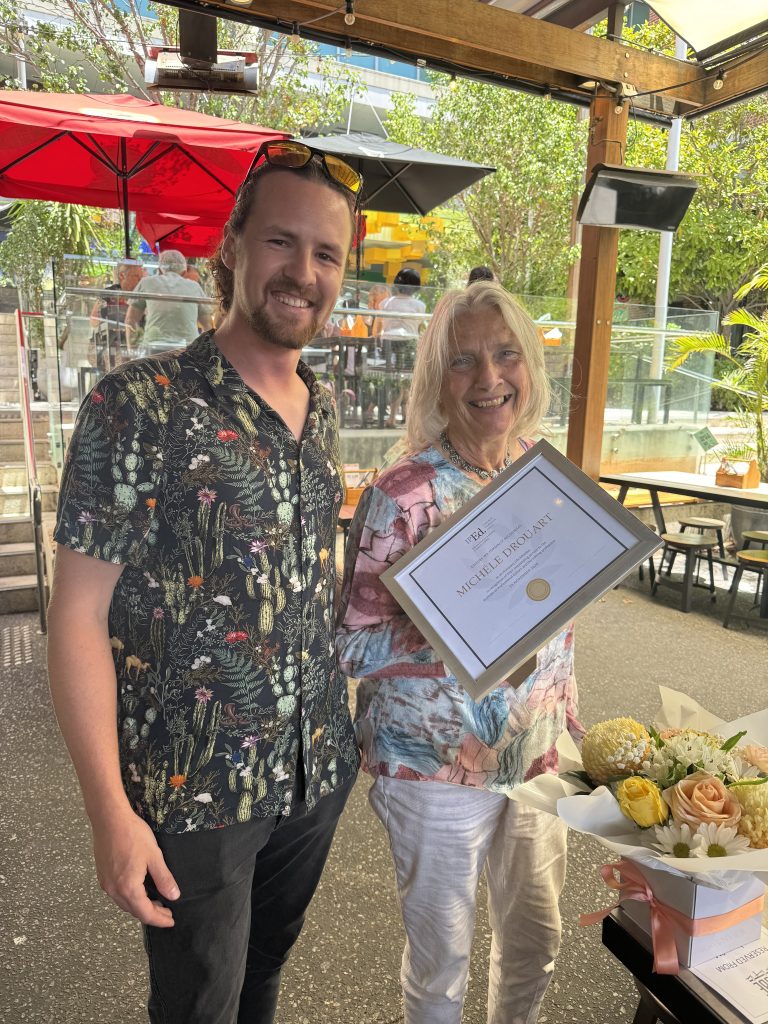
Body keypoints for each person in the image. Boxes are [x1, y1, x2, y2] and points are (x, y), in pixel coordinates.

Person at [47, 139, 364, 1024]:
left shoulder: (324, 405)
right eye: (281, 242)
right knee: (198, 1007)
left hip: (316, 766)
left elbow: (302, 575)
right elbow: (75, 619)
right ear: (232, 244)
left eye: (327, 253)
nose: (302, 271)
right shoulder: (137, 403)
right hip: (195, 788)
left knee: (261, 982)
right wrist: (109, 810)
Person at [336, 281, 583, 1024]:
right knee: (442, 963)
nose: (489, 379)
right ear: (437, 378)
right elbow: (349, 646)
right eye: (464, 361)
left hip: (538, 757)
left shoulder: (545, 472)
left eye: (506, 355)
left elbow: (561, 617)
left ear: (530, 366)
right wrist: (450, 635)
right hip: (433, 766)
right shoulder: (404, 492)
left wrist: (570, 729)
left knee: (536, 941)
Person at [125, 248, 213, 352]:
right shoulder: (194, 286)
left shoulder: (146, 283)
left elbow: (130, 320)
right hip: (188, 350)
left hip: (153, 349)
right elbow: (208, 325)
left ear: (159, 270)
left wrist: (131, 351)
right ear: (184, 273)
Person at [380, 268, 426, 428]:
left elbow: (383, 325)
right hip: (409, 344)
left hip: (388, 344)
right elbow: (418, 326)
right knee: (407, 382)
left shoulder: (385, 303)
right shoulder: (420, 305)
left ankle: (397, 417)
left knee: (396, 382)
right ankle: (403, 418)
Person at [88, 259, 144, 371]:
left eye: (141, 277)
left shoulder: (142, 294)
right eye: (136, 276)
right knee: (124, 360)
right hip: (110, 345)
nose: (140, 280)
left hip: (134, 344)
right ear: (122, 276)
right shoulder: (109, 293)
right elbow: (93, 320)